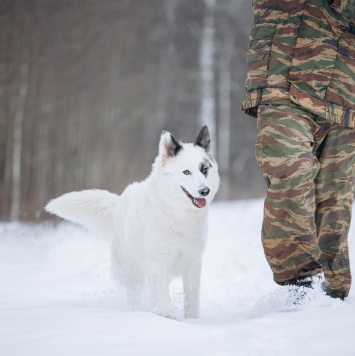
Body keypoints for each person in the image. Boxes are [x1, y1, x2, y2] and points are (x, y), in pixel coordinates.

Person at [242, 0, 355, 299]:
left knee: (334, 204)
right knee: (291, 171)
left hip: (345, 94)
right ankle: (300, 288)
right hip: (281, 80)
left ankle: (333, 295)